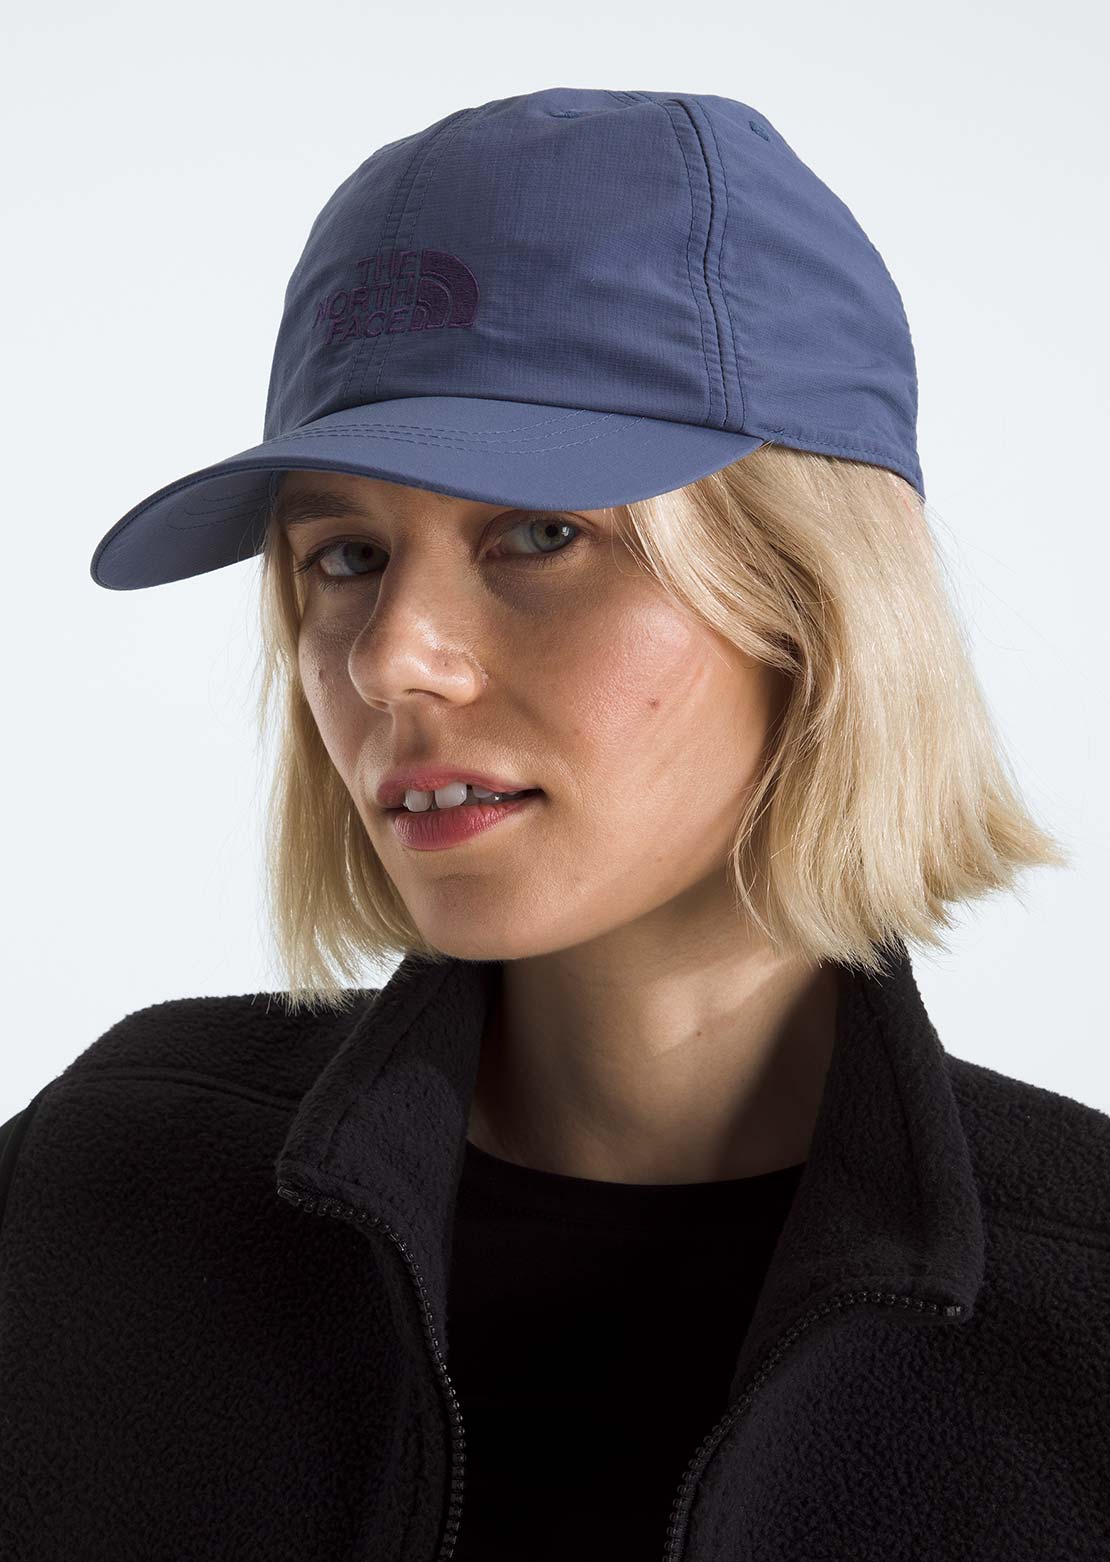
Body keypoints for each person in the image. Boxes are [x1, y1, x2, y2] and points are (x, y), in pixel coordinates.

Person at [2, 87, 1105, 1562]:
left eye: (539, 532)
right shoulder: (106, 1191)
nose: (392, 660)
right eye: (346, 554)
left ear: (814, 602)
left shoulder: (1082, 1316)